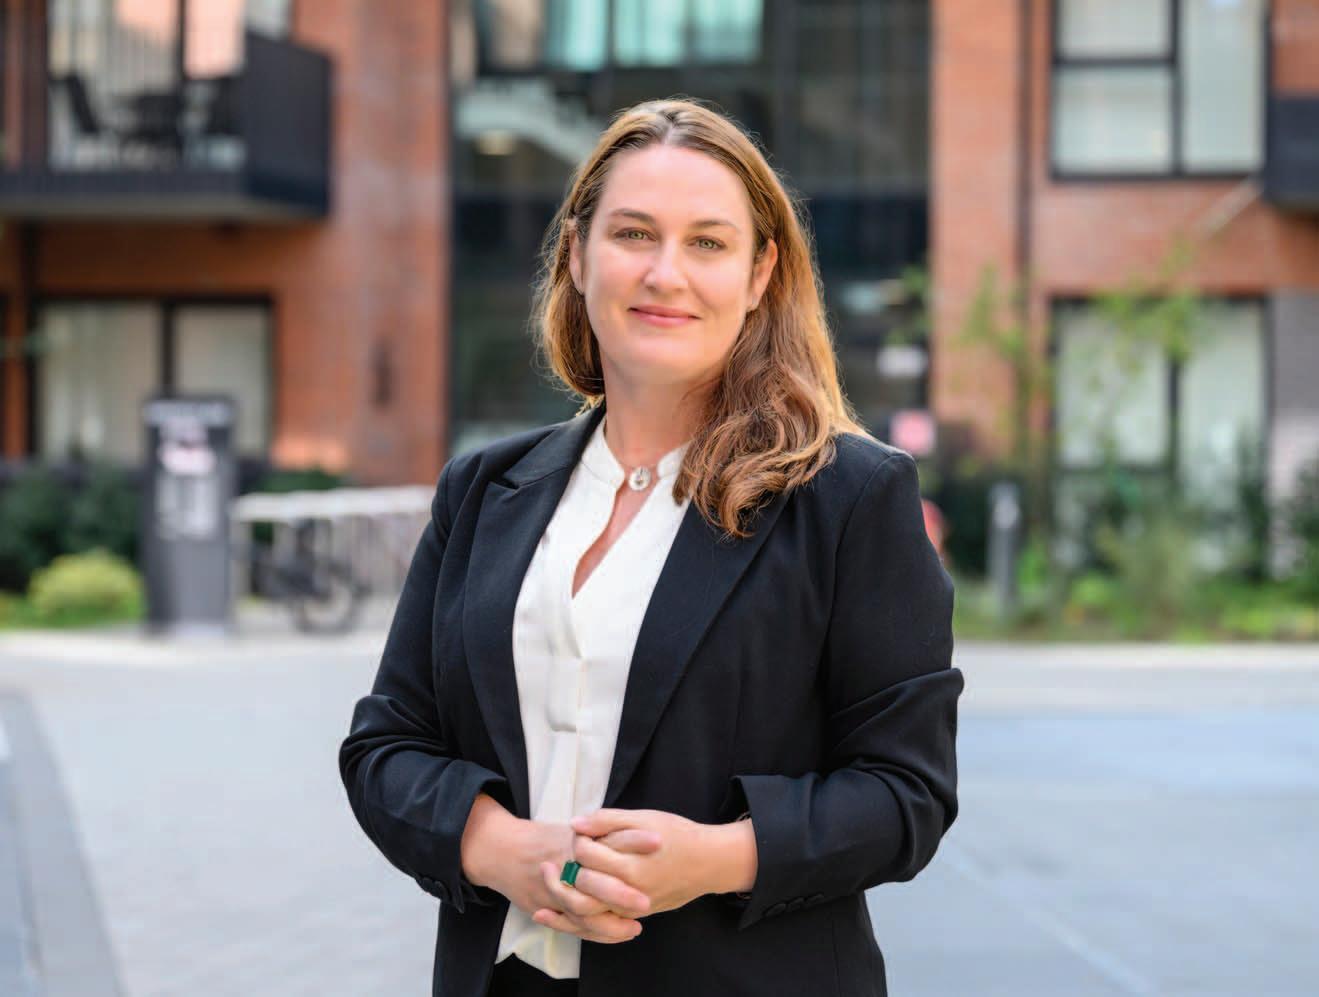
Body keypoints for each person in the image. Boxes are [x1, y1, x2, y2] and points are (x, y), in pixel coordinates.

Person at [339, 97, 963, 997]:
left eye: (707, 242)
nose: (665, 273)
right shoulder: (480, 491)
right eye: (633, 234)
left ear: (759, 274)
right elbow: (386, 746)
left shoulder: (851, 498)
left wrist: (716, 856)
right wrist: (496, 846)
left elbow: (907, 791)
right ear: (577, 255)